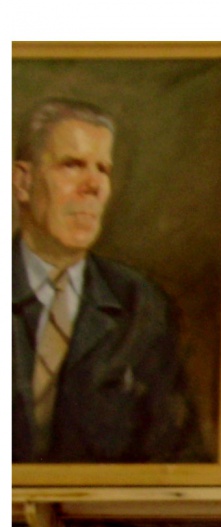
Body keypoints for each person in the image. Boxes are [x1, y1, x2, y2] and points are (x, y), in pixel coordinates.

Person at [12, 98, 202, 464]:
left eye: (103, 169)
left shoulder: (142, 306)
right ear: (23, 181)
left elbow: (177, 459)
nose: (94, 185)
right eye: (72, 165)